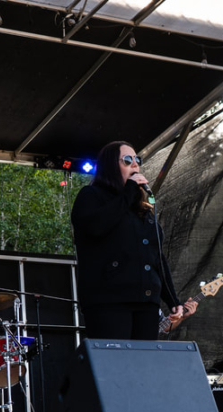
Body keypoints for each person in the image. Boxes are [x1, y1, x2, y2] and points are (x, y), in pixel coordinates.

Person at [71, 140, 188, 340]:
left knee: (143, 365)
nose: (135, 164)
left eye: (137, 159)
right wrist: (129, 191)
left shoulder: (142, 208)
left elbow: (157, 256)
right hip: (109, 300)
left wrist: (172, 299)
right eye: (127, 160)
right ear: (110, 166)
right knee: (115, 365)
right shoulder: (91, 196)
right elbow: (96, 227)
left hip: (146, 300)